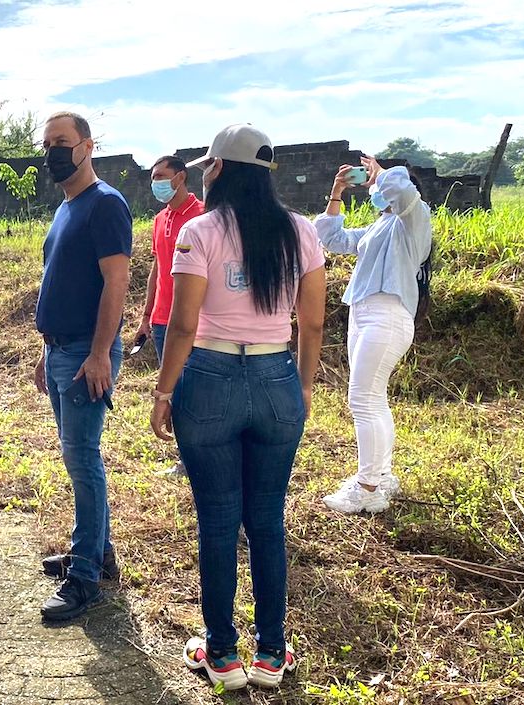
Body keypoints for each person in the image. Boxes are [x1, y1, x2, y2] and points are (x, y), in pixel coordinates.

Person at [150, 124, 325, 691]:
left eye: (208, 165)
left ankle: (222, 655)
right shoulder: (300, 231)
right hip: (276, 373)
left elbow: (182, 323)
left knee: (219, 519)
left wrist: (163, 390)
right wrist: (300, 386)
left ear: (219, 169)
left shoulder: (199, 232)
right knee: (267, 518)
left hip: (211, 376)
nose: (205, 171)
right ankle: (272, 654)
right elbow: (314, 321)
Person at [33, 111, 133, 621]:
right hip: (60, 349)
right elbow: (60, 280)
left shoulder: (105, 205)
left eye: (62, 142)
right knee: (78, 457)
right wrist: (45, 349)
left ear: (88, 147)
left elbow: (116, 284)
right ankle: (99, 552)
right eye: (47, 142)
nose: (52, 150)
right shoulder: (66, 207)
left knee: (82, 459)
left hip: (83, 353)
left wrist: (99, 352)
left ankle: (85, 577)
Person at [316, 157, 433, 514]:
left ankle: (367, 488)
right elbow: (331, 237)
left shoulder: (414, 218)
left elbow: (399, 190)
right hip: (364, 313)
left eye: (375, 184)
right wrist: (337, 192)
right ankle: (380, 475)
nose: (372, 189)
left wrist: (382, 173)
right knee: (372, 398)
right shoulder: (377, 228)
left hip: (387, 315)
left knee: (362, 399)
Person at [135, 154, 204, 477]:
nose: (156, 183)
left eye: (161, 176)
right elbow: (157, 268)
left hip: (194, 320)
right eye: (153, 177)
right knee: (172, 388)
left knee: (195, 390)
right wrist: (146, 315)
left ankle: (201, 456)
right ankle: (186, 458)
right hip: (162, 320)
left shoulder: (202, 215)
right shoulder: (160, 219)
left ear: (181, 177)